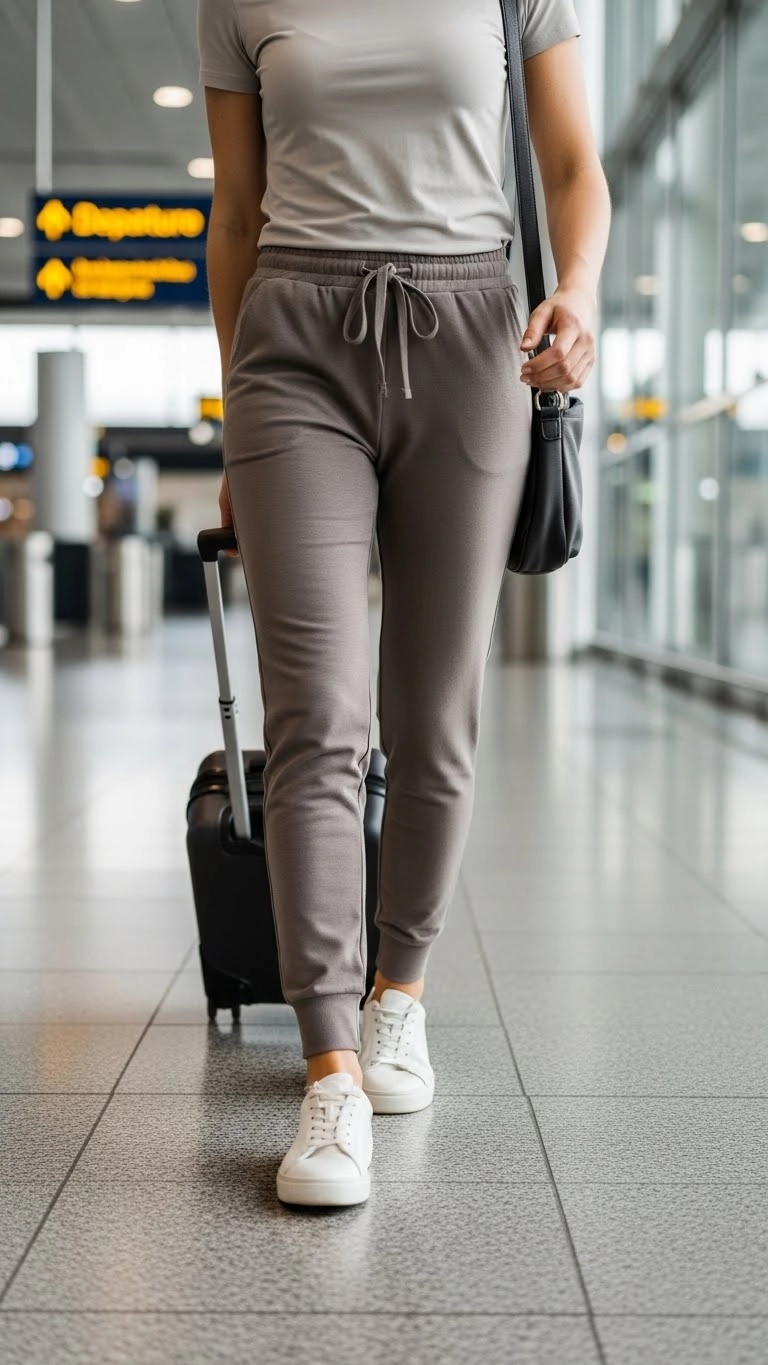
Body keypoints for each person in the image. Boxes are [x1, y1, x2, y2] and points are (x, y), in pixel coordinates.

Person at [198, 0, 611, 1208]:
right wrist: (231, 415)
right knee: (317, 719)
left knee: (432, 712)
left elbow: (575, 164)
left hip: (472, 333)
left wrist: (576, 293)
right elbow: (236, 213)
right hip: (293, 348)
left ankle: (399, 1000)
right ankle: (329, 1067)